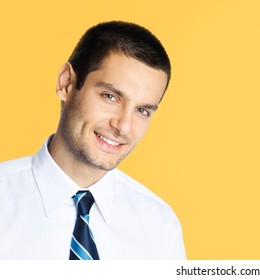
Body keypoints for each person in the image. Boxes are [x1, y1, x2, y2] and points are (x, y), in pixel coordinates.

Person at [0, 21, 186, 260]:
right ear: (66, 83)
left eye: (142, 111)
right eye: (110, 97)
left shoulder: (160, 226)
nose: (123, 126)